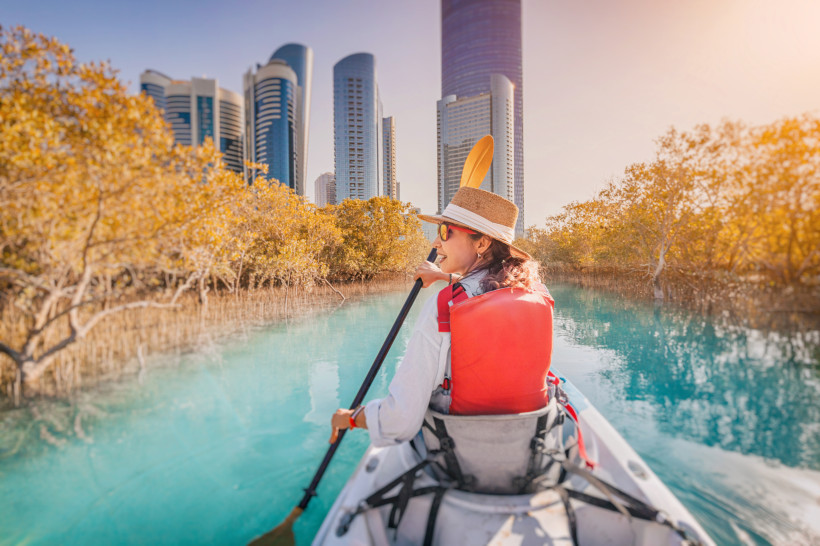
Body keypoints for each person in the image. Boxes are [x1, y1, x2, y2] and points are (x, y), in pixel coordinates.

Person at [329, 187, 554, 446]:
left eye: (446, 232)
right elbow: (484, 290)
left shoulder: (445, 306)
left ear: (482, 243)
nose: (436, 243)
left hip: (461, 453)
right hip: (532, 443)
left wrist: (353, 417)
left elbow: (400, 420)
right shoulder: (535, 289)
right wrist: (443, 276)